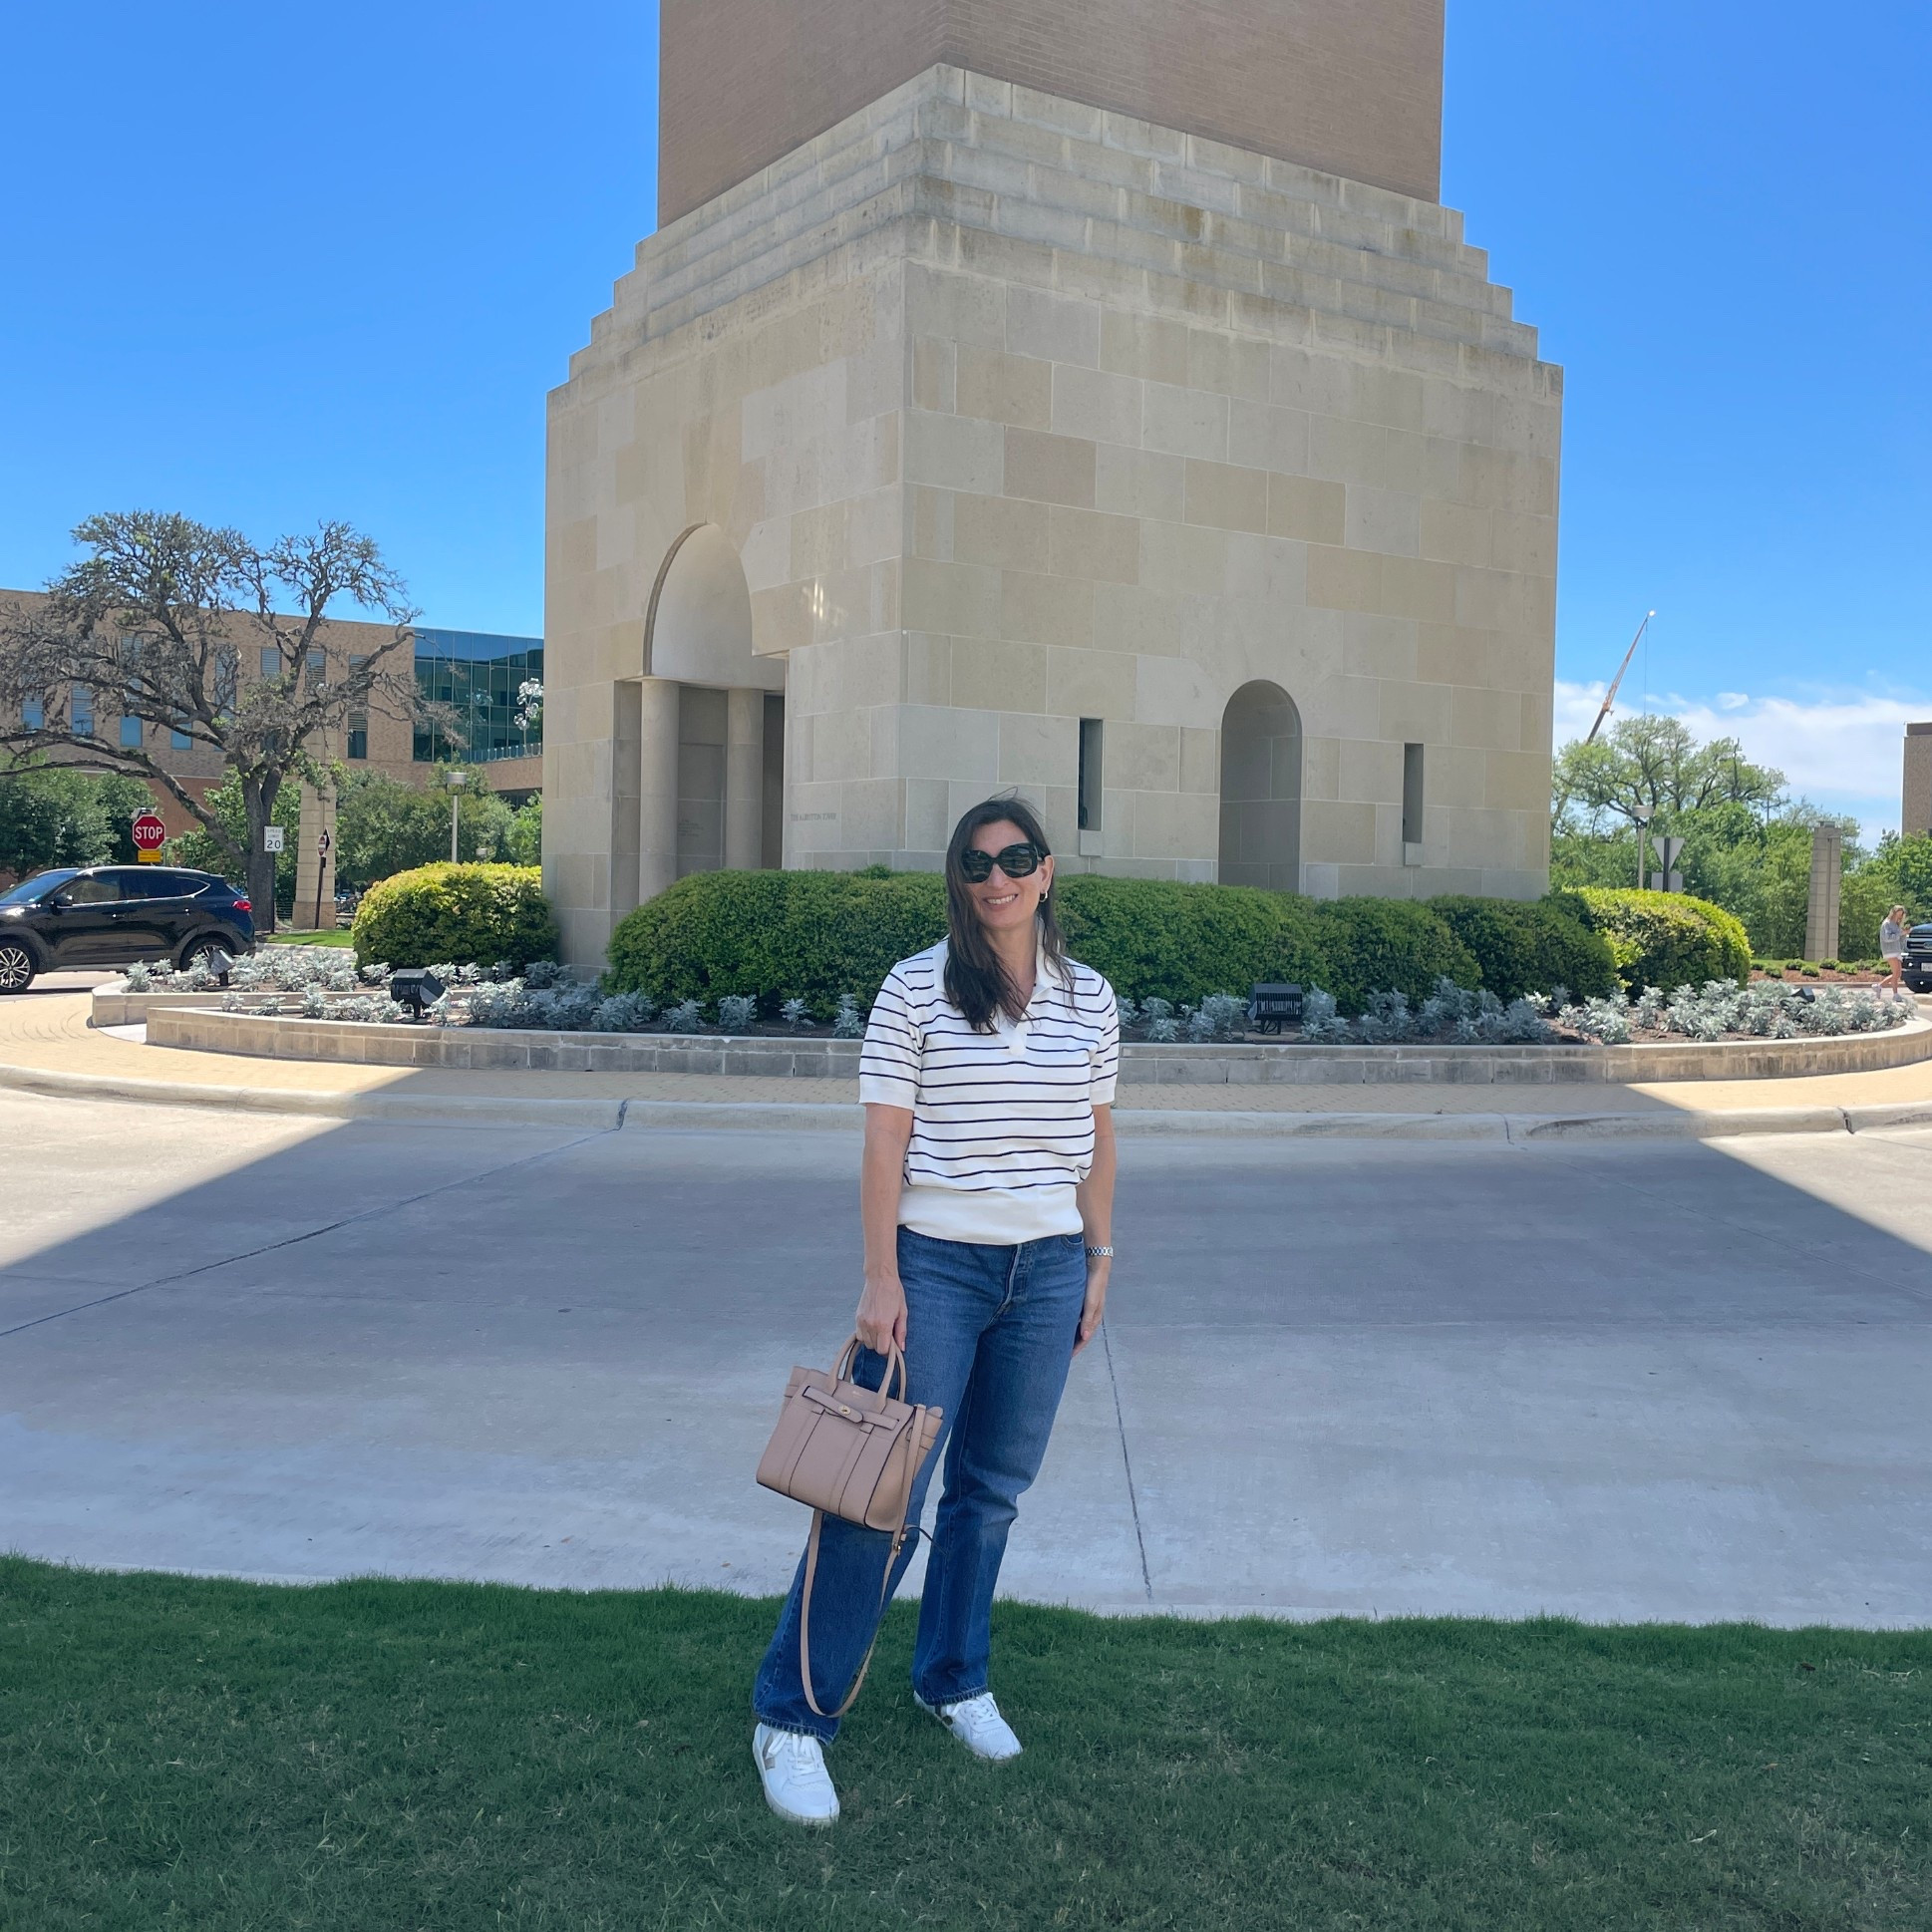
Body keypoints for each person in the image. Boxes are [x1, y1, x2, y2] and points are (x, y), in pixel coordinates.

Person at [751, 795, 1120, 1826]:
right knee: (874, 1494)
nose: (997, 877)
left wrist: (1097, 1258)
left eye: (1016, 858)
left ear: (1047, 872)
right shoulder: (914, 988)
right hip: (936, 1270)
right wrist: (881, 1278)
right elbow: (882, 1144)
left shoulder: (1089, 999)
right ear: (958, 880)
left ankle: (952, 1678)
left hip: (1046, 1269)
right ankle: (792, 1717)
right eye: (976, 862)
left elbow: (1098, 1138)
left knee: (990, 1494)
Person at [1880, 905, 1908, 1000]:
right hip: (1889, 950)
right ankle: (1895, 994)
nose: (1899, 917)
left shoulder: (1896, 924)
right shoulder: (1887, 924)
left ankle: (1879, 986)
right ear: (1894, 913)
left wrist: (1905, 933)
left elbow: (1900, 938)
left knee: (1898, 974)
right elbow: (1887, 938)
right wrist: (1900, 934)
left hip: (1896, 950)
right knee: (1896, 973)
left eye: (1901, 915)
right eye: (1898, 914)